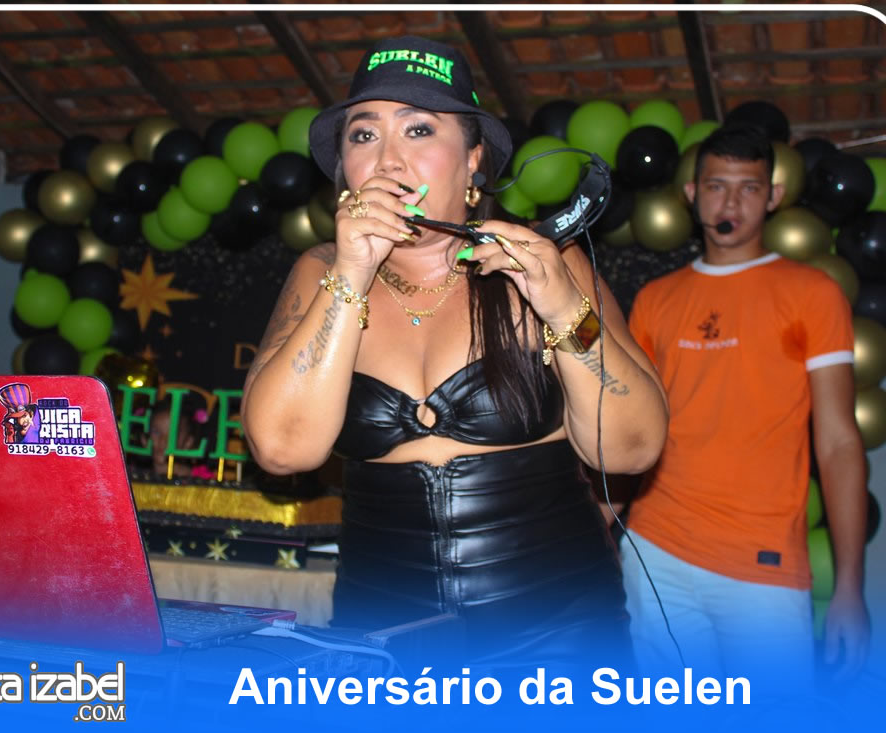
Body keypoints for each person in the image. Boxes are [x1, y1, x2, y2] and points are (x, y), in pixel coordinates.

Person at [241, 36, 668, 669]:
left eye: (418, 130)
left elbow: (632, 449)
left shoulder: (546, 263)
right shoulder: (320, 272)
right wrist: (352, 274)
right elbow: (282, 450)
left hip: (559, 632)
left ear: (473, 162)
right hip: (381, 629)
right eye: (364, 136)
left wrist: (561, 310)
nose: (388, 158)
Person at [622, 125, 869, 687]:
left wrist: (850, 587)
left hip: (763, 560)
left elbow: (838, 441)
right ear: (692, 194)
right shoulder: (656, 300)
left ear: (773, 196)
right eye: (716, 186)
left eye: (748, 188)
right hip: (656, 547)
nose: (730, 203)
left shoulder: (813, 293)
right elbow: (629, 428)